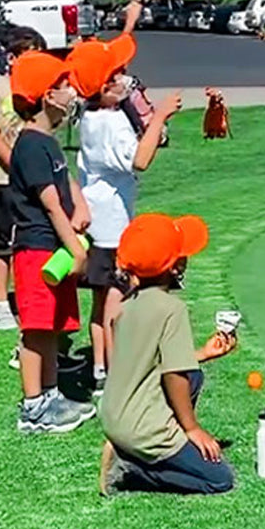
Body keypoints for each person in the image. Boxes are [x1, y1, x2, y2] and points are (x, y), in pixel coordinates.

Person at [69, 31, 182, 393]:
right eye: (115, 75)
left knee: (101, 302)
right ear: (101, 88)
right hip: (112, 229)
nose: (123, 78)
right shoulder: (111, 122)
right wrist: (160, 115)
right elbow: (141, 159)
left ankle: (102, 369)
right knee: (117, 301)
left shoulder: (92, 117)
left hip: (97, 224)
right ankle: (119, 375)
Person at [99, 212, 236, 497]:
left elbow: (144, 362)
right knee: (219, 478)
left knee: (194, 375)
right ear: (174, 267)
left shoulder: (126, 306)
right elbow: (173, 374)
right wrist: (192, 428)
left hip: (114, 419)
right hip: (143, 429)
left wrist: (202, 353)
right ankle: (131, 468)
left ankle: (126, 450)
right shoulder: (171, 310)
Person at [8, 50, 95, 433]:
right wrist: (76, 248)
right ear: (46, 96)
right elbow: (48, 203)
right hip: (36, 249)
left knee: (52, 327)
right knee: (36, 329)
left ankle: (50, 391)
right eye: (62, 85)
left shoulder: (48, 141)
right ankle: (33, 407)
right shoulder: (29, 144)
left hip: (53, 245)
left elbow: (64, 185)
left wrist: (79, 202)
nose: (71, 91)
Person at [0, 25, 45, 331]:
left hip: (35, 181)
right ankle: (1, 302)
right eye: (28, 56)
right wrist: (15, 164)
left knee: (33, 240)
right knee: (3, 244)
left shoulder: (42, 91)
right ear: (12, 58)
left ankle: (30, 297)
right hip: (3, 179)